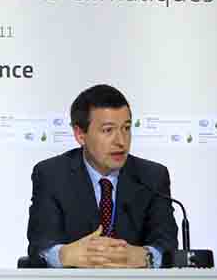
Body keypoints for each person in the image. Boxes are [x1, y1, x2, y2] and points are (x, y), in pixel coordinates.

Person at [27, 84, 178, 268]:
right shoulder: (52, 175)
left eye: (126, 128)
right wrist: (63, 255)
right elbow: (40, 245)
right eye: (108, 130)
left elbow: (167, 245)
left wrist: (146, 256)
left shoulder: (152, 177)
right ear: (80, 135)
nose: (121, 141)